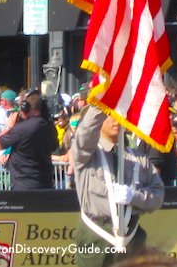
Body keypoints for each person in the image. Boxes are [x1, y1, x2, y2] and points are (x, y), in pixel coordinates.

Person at [71, 105, 165, 266]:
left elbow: (158, 196)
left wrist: (135, 196)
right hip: (96, 233)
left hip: (131, 235)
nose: (116, 120)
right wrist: (101, 102)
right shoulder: (87, 155)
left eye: (119, 115)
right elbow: (85, 134)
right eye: (109, 115)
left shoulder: (139, 158)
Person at [0, 89, 58, 190]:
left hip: (24, 184)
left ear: (25, 107)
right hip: (45, 183)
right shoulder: (49, 126)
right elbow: (54, 146)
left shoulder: (21, 129)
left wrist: (9, 127)